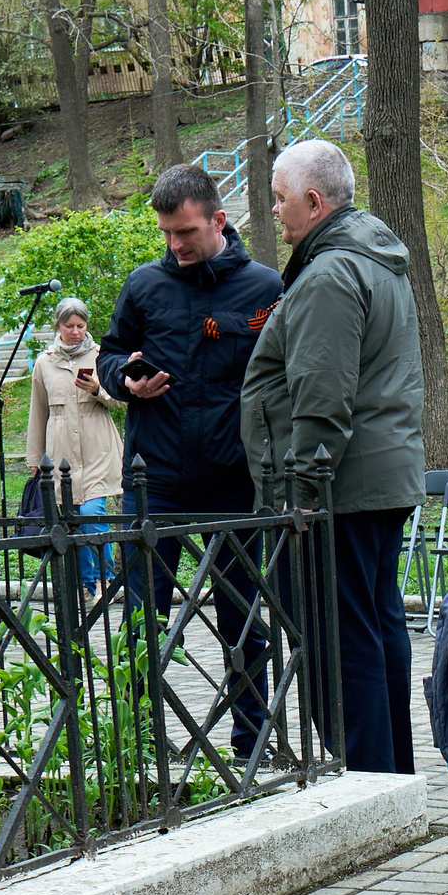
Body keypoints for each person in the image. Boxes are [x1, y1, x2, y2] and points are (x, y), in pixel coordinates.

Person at [239, 139, 427, 776]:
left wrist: (300, 493)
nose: (274, 212)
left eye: (279, 199)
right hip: (379, 477)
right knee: (374, 627)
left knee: (340, 638)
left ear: (314, 202)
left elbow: (322, 396)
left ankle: (368, 778)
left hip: (339, 487)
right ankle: (390, 774)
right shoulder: (375, 259)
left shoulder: (329, 273)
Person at [100, 163, 283, 757]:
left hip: (233, 481)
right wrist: (126, 383)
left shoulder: (265, 288)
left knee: (242, 620)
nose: (176, 245)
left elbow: (282, 377)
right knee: (141, 622)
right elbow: (107, 356)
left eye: (186, 232)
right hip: (154, 483)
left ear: (219, 221)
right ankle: (136, 740)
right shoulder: (144, 286)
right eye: (167, 234)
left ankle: (251, 743)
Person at [27, 295, 125, 600]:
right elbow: (38, 411)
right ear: (58, 326)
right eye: (69, 326)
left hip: (98, 447)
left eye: (81, 325)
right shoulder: (45, 362)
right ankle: (86, 582)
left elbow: (122, 399)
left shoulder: (101, 356)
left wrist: (98, 390)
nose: (76, 331)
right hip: (62, 452)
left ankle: (104, 578)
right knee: (74, 517)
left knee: (93, 513)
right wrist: (35, 457)